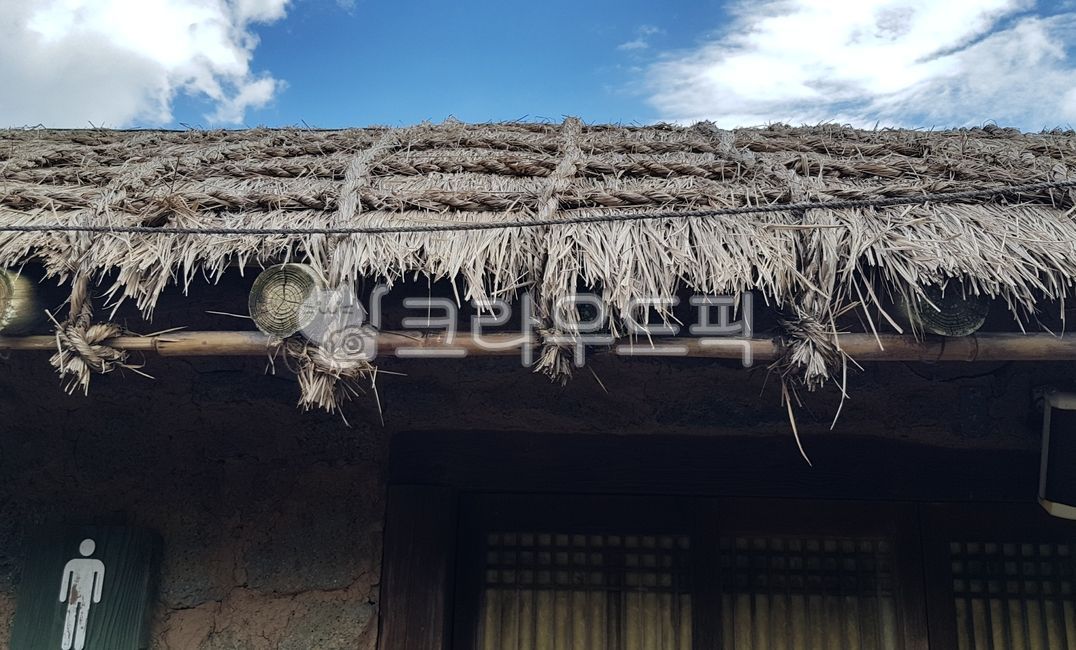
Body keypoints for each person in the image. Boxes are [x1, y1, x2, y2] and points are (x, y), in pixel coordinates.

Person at [58, 539, 105, 650]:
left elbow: (99, 580)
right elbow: (66, 579)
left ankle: (78, 643)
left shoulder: (97, 564)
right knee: (71, 614)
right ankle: (66, 642)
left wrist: (96, 596)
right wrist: (63, 595)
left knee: (83, 616)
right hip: (73, 595)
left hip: (86, 596)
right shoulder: (73, 563)